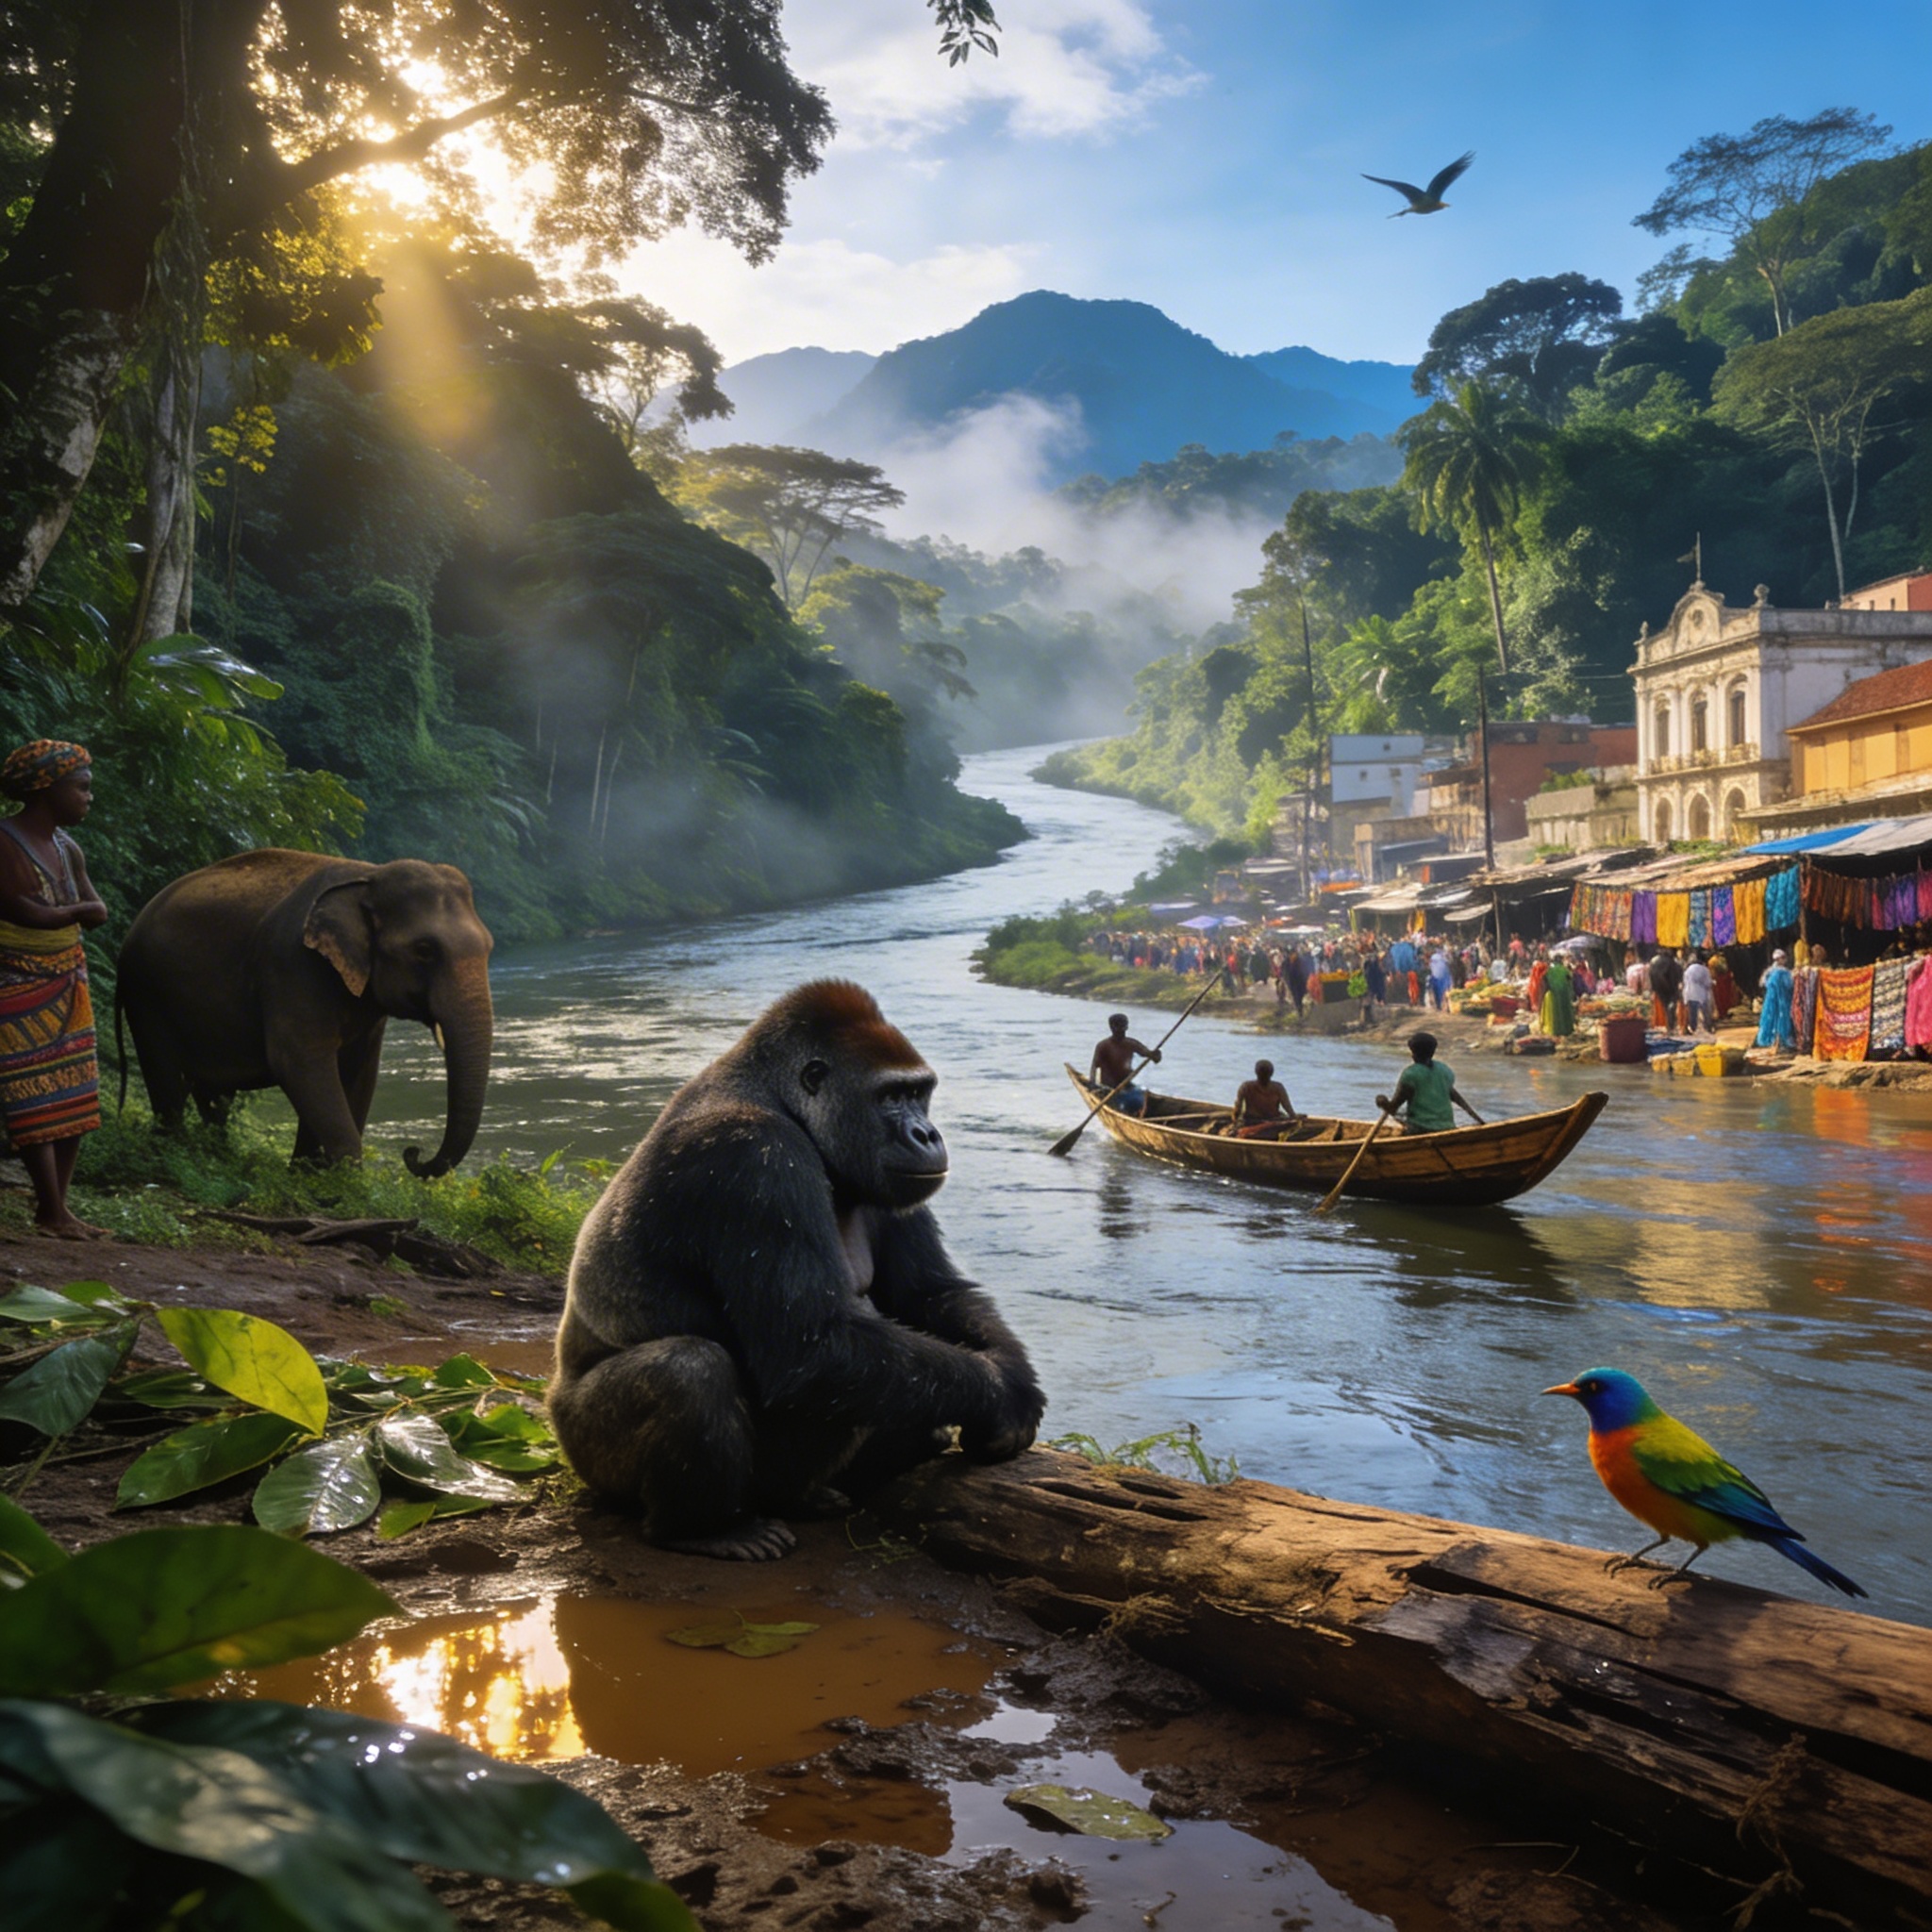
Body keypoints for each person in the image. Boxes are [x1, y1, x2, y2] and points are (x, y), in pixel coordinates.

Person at [0, 741, 108, 1238]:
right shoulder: (6, 841)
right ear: (47, 788)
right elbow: (25, 910)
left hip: (69, 978)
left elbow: (94, 906)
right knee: (30, 1092)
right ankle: (49, 1209)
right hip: (17, 980)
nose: (89, 797)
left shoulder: (69, 847)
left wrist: (78, 913)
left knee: (74, 1093)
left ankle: (57, 1208)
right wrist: (76, 914)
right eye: (82, 788)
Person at [1377, 1032, 1486, 1136]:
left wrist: (1382, 1102)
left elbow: (1393, 1109)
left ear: (1413, 1053)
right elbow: (1457, 1099)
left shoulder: (1410, 1074)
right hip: (1447, 1128)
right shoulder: (1444, 1070)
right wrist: (1480, 1121)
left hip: (1420, 1129)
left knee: (1404, 1125)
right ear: (1433, 1052)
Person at [1091, 1012, 1160, 1117]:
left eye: (1123, 1025)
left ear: (1127, 1026)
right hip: (1108, 1089)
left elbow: (1152, 1057)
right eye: (1117, 1025)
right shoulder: (1103, 1046)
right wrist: (1092, 1083)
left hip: (1127, 1085)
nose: (1120, 1028)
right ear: (1111, 1027)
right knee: (1121, 1107)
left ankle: (1139, 1115)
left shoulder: (1131, 1043)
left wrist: (1156, 1055)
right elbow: (1094, 1067)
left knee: (1144, 1101)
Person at [1233, 1058, 1298, 1139]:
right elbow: (1290, 1111)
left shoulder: (1246, 1086)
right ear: (1272, 1073)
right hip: (1271, 1122)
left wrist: (1235, 1122)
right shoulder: (1278, 1087)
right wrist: (1295, 1119)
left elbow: (1237, 1111)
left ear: (1256, 1072)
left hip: (1251, 1122)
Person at [1756, 949, 1796, 1054]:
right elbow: (1790, 985)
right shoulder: (1784, 972)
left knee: (1771, 1017)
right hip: (1782, 999)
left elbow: (1763, 984)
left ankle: (1773, 1039)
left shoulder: (1769, 971)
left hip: (1771, 1000)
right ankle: (1782, 1040)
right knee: (1782, 1018)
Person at [1541, 953, 1576, 1038]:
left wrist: (1547, 988)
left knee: (1554, 1014)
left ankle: (1554, 1030)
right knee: (1564, 1012)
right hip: (1564, 994)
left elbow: (1543, 978)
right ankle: (1566, 1031)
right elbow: (1570, 978)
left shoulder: (1549, 970)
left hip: (1552, 995)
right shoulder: (1564, 970)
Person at [1648, 947, 1683, 1033]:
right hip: (1671, 987)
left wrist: (1653, 988)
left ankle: (1667, 1026)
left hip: (1658, 988)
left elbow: (1651, 975)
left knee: (1664, 1005)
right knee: (1671, 1005)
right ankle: (1671, 1026)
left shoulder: (1654, 961)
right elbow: (1678, 976)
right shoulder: (1673, 962)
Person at [1682, 952, 1714, 1035]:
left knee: (1692, 1013)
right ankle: (1708, 1027)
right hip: (1700, 994)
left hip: (1689, 993)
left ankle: (1693, 1028)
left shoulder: (1688, 969)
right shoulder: (1704, 969)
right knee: (1705, 1012)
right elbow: (1707, 983)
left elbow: (1684, 981)